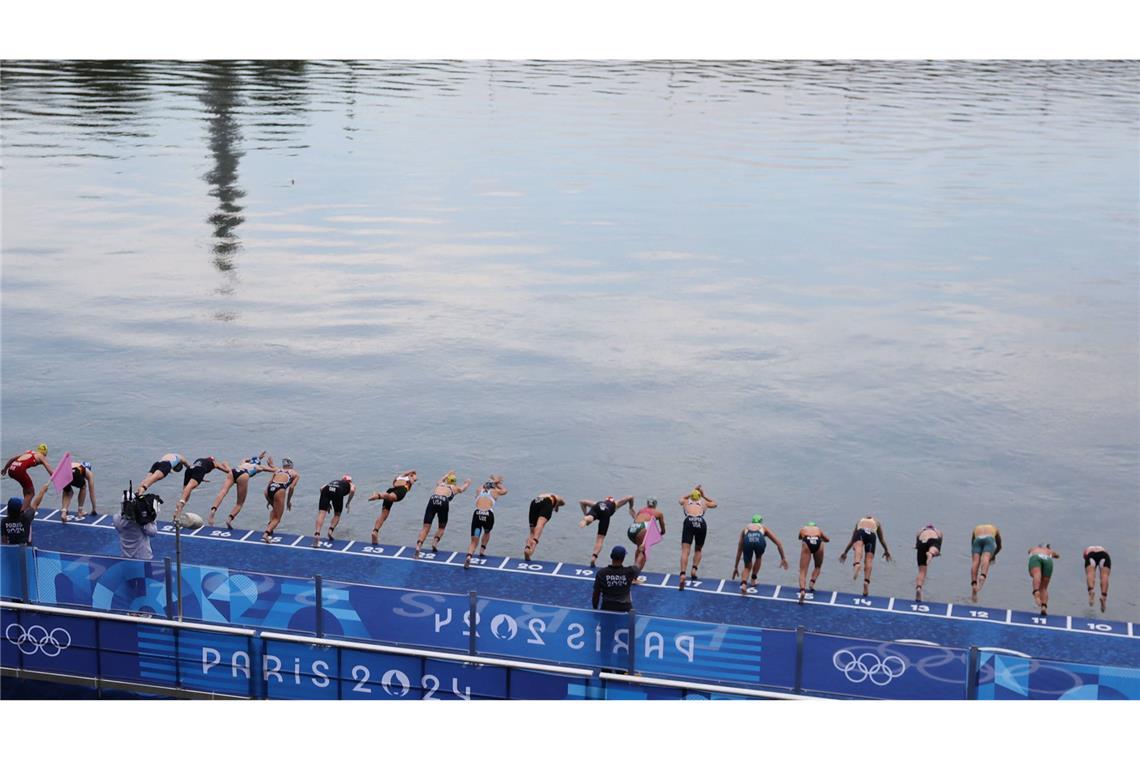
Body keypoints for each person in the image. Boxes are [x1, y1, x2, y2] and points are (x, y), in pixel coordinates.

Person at [208, 452, 276, 528]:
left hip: (234, 471)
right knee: (239, 503)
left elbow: (245, 459)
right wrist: (271, 465)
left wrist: (258, 457)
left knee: (223, 492)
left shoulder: (243, 463)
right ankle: (229, 519)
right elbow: (275, 470)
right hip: (243, 475)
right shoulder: (258, 467)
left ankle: (213, 510)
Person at [414, 471, 471, 555]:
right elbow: (462, 489)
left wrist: (447, 474)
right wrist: (467, 483)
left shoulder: (440, 484)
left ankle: (419, 545)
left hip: (433, 499)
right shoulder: (454, 487)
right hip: (443, 501)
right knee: (441, 527)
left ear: (447, 480)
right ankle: (434, 543)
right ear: (455, 482)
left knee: (426, 527)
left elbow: (440, 480)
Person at [838, 515, 892, 597]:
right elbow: (882, 540)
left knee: (858, 546)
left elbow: (852, 540)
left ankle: (857, 564)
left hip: (861, 532)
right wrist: (886, 551)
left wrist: (845, 552)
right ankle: (866, 582)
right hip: (872, 536)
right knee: (869, 559)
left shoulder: (860, 521)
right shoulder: (877, 523)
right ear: (872, 519)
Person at [732, 515, 788, 594]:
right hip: (760, 540)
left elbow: (739, 549)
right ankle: (753, 579)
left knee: (747, 567)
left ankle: (744, 584)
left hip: (748, 539)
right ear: (760, 522)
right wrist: (783, 558)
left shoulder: (745, 528)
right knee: (758, 557)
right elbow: (778, 543)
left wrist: (736, 567)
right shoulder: (763, 527)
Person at [677, 485, 717, 590]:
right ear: (699, 497)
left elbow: (680, 499)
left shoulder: (686, 502)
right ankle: (694, 569)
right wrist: (704, 495)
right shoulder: (703, 503)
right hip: (700, 522)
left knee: (685, 550)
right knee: (698, 549)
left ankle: (682, 574)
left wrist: (691, 492)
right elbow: (715, 503)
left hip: (689, 521)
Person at [578, 495, 635, 568]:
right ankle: (594, 557)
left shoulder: (598, 503)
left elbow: (582, 502)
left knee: (592, 516)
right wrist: (631, 507)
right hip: (606, 513)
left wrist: (586, 513)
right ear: (612, 500)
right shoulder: (616, 503)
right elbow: (630, 497)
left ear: (605, 500)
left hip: (597, 507)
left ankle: (587, 519)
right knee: (600, 539)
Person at [463, 476, 508, 568]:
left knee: (474, 540)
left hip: (477, 514)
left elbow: (485, 486)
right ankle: (482, 550)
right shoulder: (496, 492)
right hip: (488, 515)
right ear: (493, 486)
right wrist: (497, 483)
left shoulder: (479, 490)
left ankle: (469, 556)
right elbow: (505, 490)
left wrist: (493, 482)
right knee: (487, 532)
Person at [368, 470, 417, 545]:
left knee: (383, 515)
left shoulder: (399, 476)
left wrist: (408, 474)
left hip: (390, 490)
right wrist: (412, 477)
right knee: (391, 497)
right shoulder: (409, 478)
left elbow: (394, 483)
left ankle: (375, 531)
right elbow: (413, 480)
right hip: (401, 490)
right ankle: (378, 495)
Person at [591, 545, 642, 612]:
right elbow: (638, 565)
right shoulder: (630, 572)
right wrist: (641, 552)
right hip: (625, 609)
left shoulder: (601, 573)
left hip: (607, 608)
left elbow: (596, 593)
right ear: (623, 558)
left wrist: (595, 609)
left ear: (611, 556)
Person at [262, 458, 299, 543]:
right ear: (291, 466)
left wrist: (268, 499)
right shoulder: (295, 474)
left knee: (274, 509)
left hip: (268, 490)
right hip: (279, 490)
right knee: (278, 518)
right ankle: (266, 534)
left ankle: (270, 528)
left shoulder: (278, 471)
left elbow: (269, 483)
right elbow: (291, 487)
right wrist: (288, 501)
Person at [114, 492, 160, 560]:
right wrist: (152, 517)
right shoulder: (141, 522)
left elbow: (122, 515)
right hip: (144, 558)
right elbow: (153, 532)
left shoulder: (117, 519)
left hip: (126, 557)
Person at [313, 475, 355, 545]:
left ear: (342, 479)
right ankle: (330, 531)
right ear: (350, 481)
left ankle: (317, 534)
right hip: (338, 492)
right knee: (337, 514)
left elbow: (321, 488)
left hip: (326, 489)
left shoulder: (336, 481)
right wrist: (348, 503)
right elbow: (352, 490)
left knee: (321, 513)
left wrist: (328, 503)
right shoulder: (351, 484)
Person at [524, 491, 566, 561]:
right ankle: (533, 545)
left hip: (535, 502)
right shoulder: (556, 497)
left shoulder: (544, 495)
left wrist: (555, 506)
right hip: (547, 502)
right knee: (540, 524)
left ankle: (527, 548)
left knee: (532, 531)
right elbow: (563, 503)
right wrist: (557, 506)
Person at [626, 498, 666, 570]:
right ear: (655, 505)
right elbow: (662, 529)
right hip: (642, 528)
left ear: (647, 504)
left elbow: (636, 519)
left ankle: (634, 570)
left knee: (639, 549)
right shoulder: (659, 513)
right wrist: (660, 533)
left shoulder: (641, 510)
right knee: (644, 553)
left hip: (632, 529)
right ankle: (635, 575)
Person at [797, 521, 830, 603]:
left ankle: (802, 591)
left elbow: (799, 538)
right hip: (818, 541)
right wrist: (821, 538)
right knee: (818, 566)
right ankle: (812, 583)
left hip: (807, 542)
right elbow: (827, 539)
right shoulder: (818, 529)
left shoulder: (803, 529)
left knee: (803, 571)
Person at [970, 522, 1002, 602]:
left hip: (977, 540)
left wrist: (974, 556)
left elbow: (972, 544)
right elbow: (999, 546)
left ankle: (974, 583)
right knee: (986, 557)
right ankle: (982, 575)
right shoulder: (994, 528)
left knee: (976, 561)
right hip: (989, 539)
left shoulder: (976, 528)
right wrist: (993, 555)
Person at [1027, 543, 1061, 616]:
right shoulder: (1050, 551)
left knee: (1036, 574)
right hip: (1048, 559)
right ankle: (1044, 607)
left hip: (1036, 557)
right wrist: (1052, 553)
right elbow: (1058, 556)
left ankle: (1036, 592)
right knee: (1044, 587)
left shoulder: (1034, 548)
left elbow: (1029, 551)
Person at [913, 524, 943, 601]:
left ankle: (918, 588)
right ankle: (931, 553)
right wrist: (937, 552)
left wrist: (918, 547)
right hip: (933, 540)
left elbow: (917, 545)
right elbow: (939, 544)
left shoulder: (920, 531)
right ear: (933, 528)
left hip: (921, 542)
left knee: (921, 572)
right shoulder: (938, 531)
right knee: (934, 548)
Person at [1083, 545, 1112, 612]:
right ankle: (1103, 596)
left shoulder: (1088, 550)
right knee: (1104, 575)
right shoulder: (1103, 549)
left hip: (1091, 555)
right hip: (1104, 555)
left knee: (1090, 573)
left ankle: (1091, 591)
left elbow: (1085, 556)